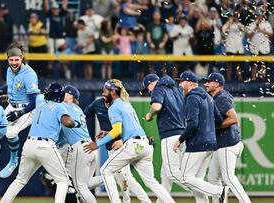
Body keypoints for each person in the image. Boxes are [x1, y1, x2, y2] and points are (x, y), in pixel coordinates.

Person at [84, 79, 175, 203]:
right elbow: (130, 127)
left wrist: (97, 144)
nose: (103, 93)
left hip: (133, 145)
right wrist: (107, 133)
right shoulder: (126, 104)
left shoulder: (113, 107)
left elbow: (116, 131)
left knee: (105, 170)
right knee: (151, 182)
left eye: (106, 91)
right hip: (144, 145)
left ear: (113, 92)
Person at [0, 83, 81, 203]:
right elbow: (68, 122)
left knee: (20, 180)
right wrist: (76, 123)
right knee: (63, 181)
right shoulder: (60, 107)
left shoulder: (39, 99)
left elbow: (33, 97)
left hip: (29, 145)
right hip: (46, 146)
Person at [173, 71, 227, 203]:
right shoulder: (208, 97)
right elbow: (219, 120)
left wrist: (180, 140)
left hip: (197, 144)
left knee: (186, 177)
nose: (180, 84)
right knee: (197, 181)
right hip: (210, 143)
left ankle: (218, 191)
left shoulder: (192, 97)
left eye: (182, 81)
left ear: (191, 83)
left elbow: (192, 124)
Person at [84, 98, 151, 203]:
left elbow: (131, 125)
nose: (105, 94)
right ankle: (139, 201)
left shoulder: (120, 105)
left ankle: (136, 201)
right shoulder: (98, 104)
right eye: (104, 92)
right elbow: (84, 115)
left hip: (123, 146)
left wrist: (122, 140)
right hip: (111, 147)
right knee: (124, 177)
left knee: (125, 177)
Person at [0, 42, 40, 179]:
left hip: (27, 109)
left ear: (22, 58)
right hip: (12, 105)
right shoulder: (9, 70)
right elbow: (11, 85)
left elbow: (35, 101)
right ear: (7, 59)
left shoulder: (29, 74)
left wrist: (20, 113)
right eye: (11, 60)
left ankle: (13, 161)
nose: (13, 62)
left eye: (16, 59)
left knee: (11, 133)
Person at [203, 72, 251, 203]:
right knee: (212, 178)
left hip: (227, 144)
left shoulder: (221, 97)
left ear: (217, 84)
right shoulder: (217, 97)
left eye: (209, 81)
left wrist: (214, 128)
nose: (206, 84)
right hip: (223, 144)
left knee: (229, 178)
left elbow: (234, 118)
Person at [141, 73, 187, 202]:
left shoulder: (158, 88)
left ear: (151, 83)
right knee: (165, 176)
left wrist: (150, 115)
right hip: (182, 134)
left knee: (172, 173)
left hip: (170, 135)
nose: (149, 91)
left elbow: (156, 106)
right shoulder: (177, 89)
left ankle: (212, 189)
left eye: (148, 88)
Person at [60, 85, 103, 203]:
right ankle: (110, 177)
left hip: (81, 148)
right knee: (86, 183)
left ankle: (110, 176)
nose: (62, 94)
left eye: (65, 93)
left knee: (80, 187)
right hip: (90, 147)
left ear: (70, 96)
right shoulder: (77, 109)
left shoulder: (63, 106)